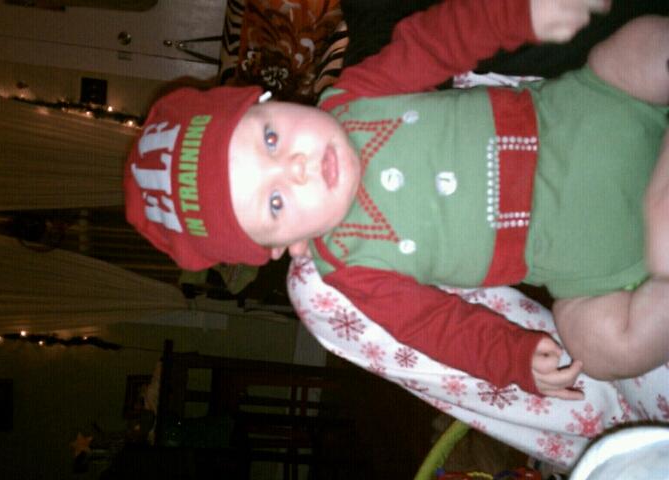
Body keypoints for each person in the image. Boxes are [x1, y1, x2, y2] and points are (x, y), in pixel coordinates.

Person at [124, 0, 669, 399]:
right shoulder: (350, 268)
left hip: (588, 115)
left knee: (642, 43)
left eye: (269, 138)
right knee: (602, 348)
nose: (295, 166)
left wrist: (520, 14)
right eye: (275, 203)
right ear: (282, 247)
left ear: (271, 100)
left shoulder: (355, 96)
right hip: (590, 256)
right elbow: (435, 328)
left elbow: (435, 40)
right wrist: (514, 359)